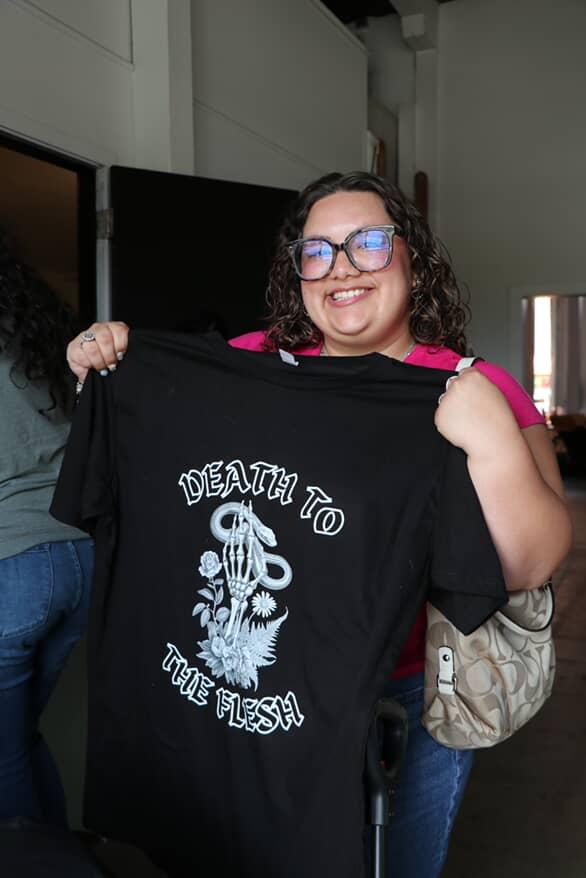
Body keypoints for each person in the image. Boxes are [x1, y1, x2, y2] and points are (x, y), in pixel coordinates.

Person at [66, 171, 572, 877]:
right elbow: (156, 424)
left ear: (413, 258)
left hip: (405, 695)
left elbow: (534, 562)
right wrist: (113, 363)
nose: (342, 268)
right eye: (317, 251)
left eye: (369, 244)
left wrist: (491, 442)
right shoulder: (250, 362)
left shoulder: (469, 386)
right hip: (259, 696)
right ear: (296, 271)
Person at [0, 229, 94, 826]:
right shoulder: (29, 328)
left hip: (13, 565)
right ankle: (60, 856)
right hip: (80, 553)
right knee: (17, 740)